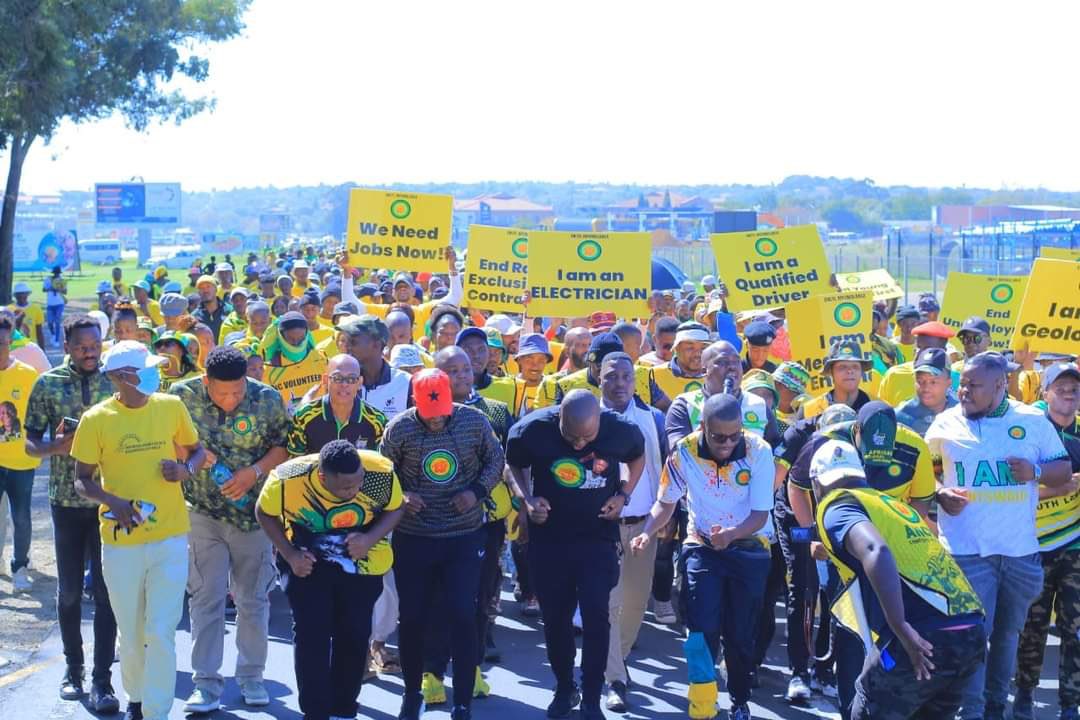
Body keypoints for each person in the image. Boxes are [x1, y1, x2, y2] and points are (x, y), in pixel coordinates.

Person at [925, 351, 1073, 720]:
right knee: (973, 637)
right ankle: (971, 711)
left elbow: (1063, 470)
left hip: (1019, 554)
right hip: (967, 553)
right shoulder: (945, 423)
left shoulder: (1032, 421)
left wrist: (1035, 470)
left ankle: (996, 707)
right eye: (961, 384)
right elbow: (924, 474)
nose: (963, 391)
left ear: (999, 385)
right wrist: (939, 492)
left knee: (1008, 638)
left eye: (973, 385)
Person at [71, 340, 207, 720]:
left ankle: (156, 711)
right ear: (118, 377)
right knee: (130, 632)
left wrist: (186, 470)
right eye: (144, 369)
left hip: (170, 536)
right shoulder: (97, 419)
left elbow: (196, 451)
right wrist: (112, 502)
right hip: (122, 543)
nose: (155, 373)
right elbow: (81, 479)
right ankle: (136, 696)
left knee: (161, 631)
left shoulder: (171, 406)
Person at [808, 439, 986, 720]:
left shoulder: (837, 505)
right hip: (969, 631)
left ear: (816, 484)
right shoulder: (890, 504)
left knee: (867, 711)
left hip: (922, 637)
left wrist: (900, 626)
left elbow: (875, 550)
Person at [631, 393, 774, 720]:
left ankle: (739, 699)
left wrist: (732, 535)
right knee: (699, 628)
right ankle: (703, 701)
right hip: (702, 545)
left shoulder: (758, 451)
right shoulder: (684, 451)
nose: (726, 443)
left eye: (733, 435)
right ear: (702, 428)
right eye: (717, 436)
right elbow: (666, 502)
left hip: (748, 548)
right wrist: (646, 531)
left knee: (740, 634)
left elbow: (760, 515)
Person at [506, 389, 645, 720]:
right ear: (559, 419)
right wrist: (527, 499)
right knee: (556, 620)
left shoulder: (621, 429)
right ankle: (565, 687)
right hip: (550, 539)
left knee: (597, 616)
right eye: (572, 436)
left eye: (588, 437)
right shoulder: (532, 430)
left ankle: (592, 697)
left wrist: (624, 495)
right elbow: (512, 464)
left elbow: (637, 458)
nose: (580, 444)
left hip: (597, 536)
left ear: (600, 419)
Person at [168, 346, 290, 712]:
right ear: (206, 382)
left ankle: (252, 676)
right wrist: (193, 452)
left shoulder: (266, 399)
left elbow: (283, 448)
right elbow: (167, 436)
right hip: (202, 513)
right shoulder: (181, 396)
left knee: (253, 599)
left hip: (254, 516)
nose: (231, 399)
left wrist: (251, 473)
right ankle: (205, 683)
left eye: (238, 391)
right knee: (206, 598)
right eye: (222, 393)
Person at [380, 368, 505, 720]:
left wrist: (477, 491)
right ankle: (411, 693)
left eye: (442, 414)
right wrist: (401, 496)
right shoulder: (400, 428)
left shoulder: (475, 422)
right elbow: (381, 472)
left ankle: (463, 699)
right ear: (414, 403)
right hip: (415, 537)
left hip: (463, 536)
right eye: (430, 415)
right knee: (414, 617)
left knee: (463, 615)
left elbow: (496, 459)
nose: (437, 422)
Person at [256, 440, 404, 720]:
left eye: (357, 482)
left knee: (355, 634)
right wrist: (289, 554)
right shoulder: (288, 479)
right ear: (323, 477)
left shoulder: (378, 473)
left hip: (362, 565)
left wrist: (369, 538)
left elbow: (396, 508)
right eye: (346, 486)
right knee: (313, 636)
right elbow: (264, 513)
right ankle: (315, 711)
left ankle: (345, 708)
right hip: (308, 566)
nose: (354, 490)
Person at [24, 314, 117, 709]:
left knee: (107, 593)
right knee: (68, 594)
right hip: (65, 503)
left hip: (108, 501)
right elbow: (29, 444)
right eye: (82, 347)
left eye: (94, 346)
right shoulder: (48, 384)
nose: (90, 353)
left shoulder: (114, 380)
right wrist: (54, 449)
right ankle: (73, 668)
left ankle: (102, 680)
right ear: (67, 346)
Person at [421, 346, 515, 706]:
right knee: (436, 599)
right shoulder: (420, 415)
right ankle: (431, 672)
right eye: (452, 370)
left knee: (477, 598)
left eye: (465, 368)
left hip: (485, 521)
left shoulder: (495, 411)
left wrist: (519, 504)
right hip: (432, 523)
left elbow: (509, 462)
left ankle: (471, 667)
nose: (462, 375)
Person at [596, 352, 669, 713]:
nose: (620, 383)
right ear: (599, 379)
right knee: (608, 604)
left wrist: (665, 517)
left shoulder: (653, 419)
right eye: (612, 376)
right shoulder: (584, 416)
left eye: (626, 376)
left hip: (644, 525)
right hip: (600, 529)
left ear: (635, 381)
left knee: (636, 604)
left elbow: (664, 473)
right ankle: (614, 679)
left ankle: (616, 661)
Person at [1013, 362, 1080, 720]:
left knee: (1075, 628)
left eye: (1074, 387)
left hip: (1075, 544)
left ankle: (1070, 704)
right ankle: (1024, 692)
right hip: (1032, 544)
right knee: (1033, 627)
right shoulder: (1029, 429)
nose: (1069, 393)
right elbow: (1010, 482)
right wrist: (1055, 484)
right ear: (1045, 392)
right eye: (1061, 387)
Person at [0, 314, 40, 596]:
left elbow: (40, 414)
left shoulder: (27, 374)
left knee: (22, 517)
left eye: (2, 342)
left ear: (10, 341)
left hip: (21, 460)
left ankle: (20, 567)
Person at [288, 353, 387, 455]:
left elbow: (381, 464)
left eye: (351, 379)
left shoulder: (377, 421)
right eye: (337, 378)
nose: (344, 384)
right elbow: (295, 463)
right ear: (325, 380)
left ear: (359, 383)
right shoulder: (304, 417)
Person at [878, 320, 957, 407]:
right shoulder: (894, 374)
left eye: (927, 349)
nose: (919, 353)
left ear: (943, 351)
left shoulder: (956, 379)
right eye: (918, 347)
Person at [262, 311, 328, 413]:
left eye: (301, 339)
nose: (296, 343)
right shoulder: (269, 369)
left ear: (307, 334)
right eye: (291, 339)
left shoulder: (322, 359)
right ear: (281, 337)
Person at [895, 348, 958, 437]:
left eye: (933, 382)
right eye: (920, 381)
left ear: (948, 383)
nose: (926, 388)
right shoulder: (900, 417)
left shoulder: (963, 413)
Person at [193, 275, 231, 342]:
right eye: (201, 288)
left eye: (208, 286)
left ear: (216, 289)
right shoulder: (194, 316)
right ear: (198, 292)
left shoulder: (230, 310)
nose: (205, 290)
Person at [11, 281, 46, 348]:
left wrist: (42, 349)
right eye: (19, 293)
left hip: (31, 345)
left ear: (27, 294)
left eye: (24, 293)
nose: (21, 296)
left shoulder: (36, 309)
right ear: (15, 295)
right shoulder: (9, 309)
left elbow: (39, 331)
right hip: (14, 345)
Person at [43, 266, 67, 346]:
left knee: (57, 322)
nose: (57, 275)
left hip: (59, 303)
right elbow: (43, 289)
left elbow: (65, 291)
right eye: (56, 273)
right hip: (50, 303)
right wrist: (51, 288)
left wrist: (59, 289)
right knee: (49, 322)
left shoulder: (62, 280)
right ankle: (53, 334)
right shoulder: (48, 280)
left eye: (58, 273)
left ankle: (56, 340)